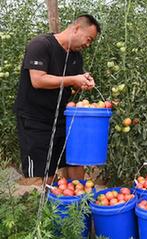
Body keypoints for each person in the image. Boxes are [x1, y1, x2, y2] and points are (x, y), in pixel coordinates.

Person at [13, 14, 101, 185]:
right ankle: (44, 208)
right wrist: (73, 79)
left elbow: (68, 88)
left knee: (74, 161)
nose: (88, 45)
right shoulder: (41, 45)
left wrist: (80, 84)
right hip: (36, 120)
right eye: (88, 39)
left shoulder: (76, 56)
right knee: (44, 172)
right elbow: (38, 80)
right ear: (76, 29)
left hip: (63, 119)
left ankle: (77, 204)